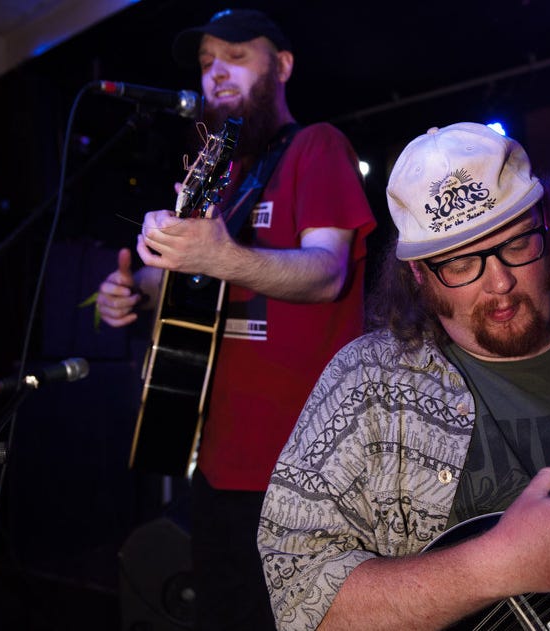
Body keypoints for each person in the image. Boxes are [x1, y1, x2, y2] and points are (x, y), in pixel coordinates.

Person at [257, 122, 550, 630]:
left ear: (549, 234)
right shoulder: (363, 385)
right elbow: (299, 600)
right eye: (462, 262)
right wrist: (491, 567)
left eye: (517, 243)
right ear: (419, 274)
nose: (501, 281)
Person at [95, 8, 376, 629]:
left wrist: (222, 255)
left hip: (310, 469)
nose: (216, 71)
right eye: (206, 61)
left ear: (282, 65)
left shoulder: (316, 146)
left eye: (236, 55)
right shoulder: (222, 181)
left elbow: (327, 271)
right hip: (217, 465)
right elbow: (188, 279)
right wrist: (133, 291)